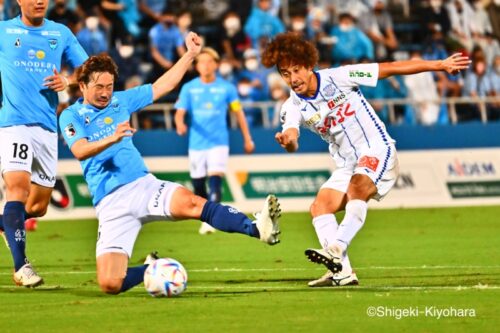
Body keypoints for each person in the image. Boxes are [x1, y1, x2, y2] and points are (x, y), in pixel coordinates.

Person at [58, 33, 281, 295]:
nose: (106, 92)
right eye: (99, 87)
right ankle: (154, 268)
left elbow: (161, 86)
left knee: (194, 203)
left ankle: (257, 228)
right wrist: (113, 137)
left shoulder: (120, 100)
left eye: (109, 85)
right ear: (82, 86)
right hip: (110, 204)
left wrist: (189, 55)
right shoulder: (71, 115)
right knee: (110, 283)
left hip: (142, 186)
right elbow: (80, 150)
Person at [261, 32, 471, 287]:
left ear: (309, 65)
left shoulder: (340, 77)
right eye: (285, 73)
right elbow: (292, 135)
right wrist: (288, 141)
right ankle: (343, 273)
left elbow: (390, 68)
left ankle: (336, 248)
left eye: (296, 70)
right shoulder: (291, 107)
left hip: (377, 149)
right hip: (347, 164)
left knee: (356, 188)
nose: (292, 79)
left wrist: (438, 65)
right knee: (320, 206)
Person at [0, 0, 88, 287]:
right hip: (13, 124)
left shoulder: (60, 33)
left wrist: (69, 80)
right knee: (17, 189)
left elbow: (88, 70)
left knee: (37, 207)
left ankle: (7, 224)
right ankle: (21, 266)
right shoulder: (3, 31)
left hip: (47, 128)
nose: (39, 1)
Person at [174, 47, 255, 235]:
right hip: (196, 144)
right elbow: (180, 113)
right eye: (201, 61)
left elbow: (238, 113)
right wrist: (179, 124)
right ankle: (207, 216)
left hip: (219, 142)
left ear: (216, 65)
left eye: (210, 61)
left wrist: (247, 138)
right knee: (198, 184)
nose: (206, 65)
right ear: (197, 66)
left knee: (216, 180)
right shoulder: (189, 88)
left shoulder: (227, 88)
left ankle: (212, 221)